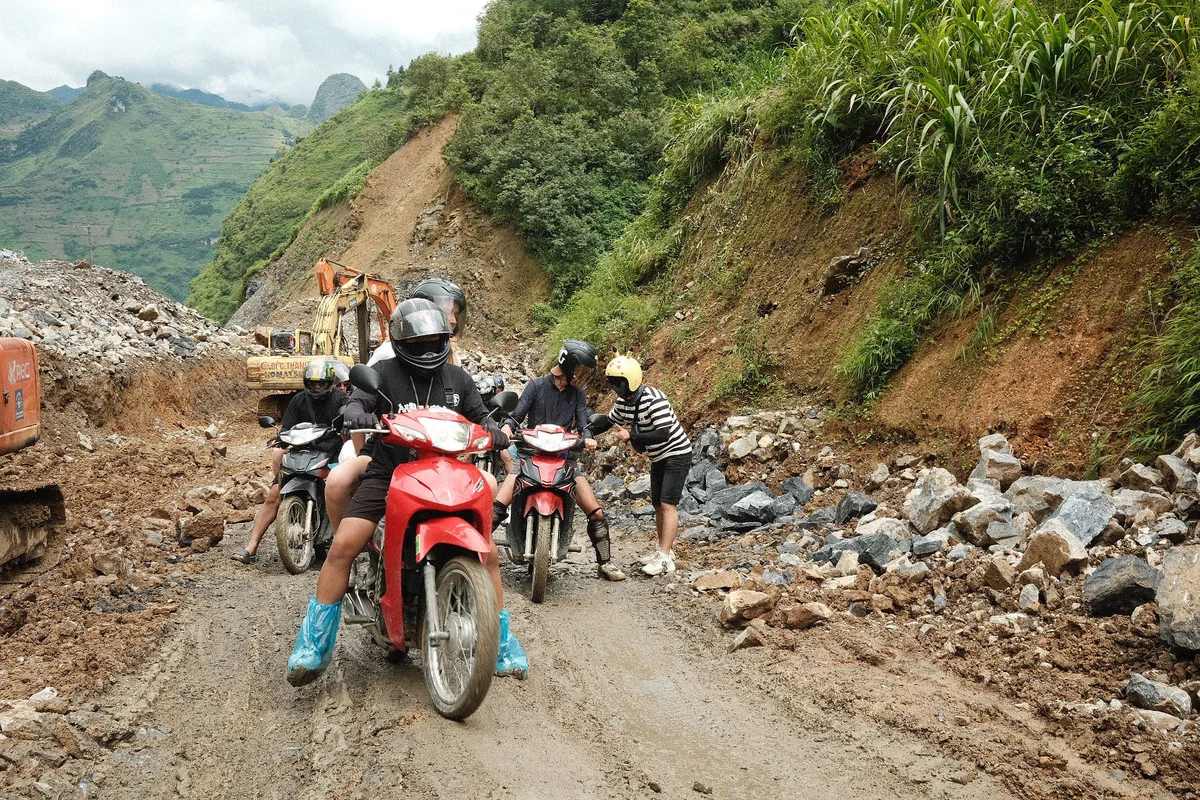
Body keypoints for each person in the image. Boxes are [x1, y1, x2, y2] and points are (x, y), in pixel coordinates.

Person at [286, 298, 526, 687]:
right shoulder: (382, 374)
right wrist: (355, 414)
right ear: (401, 342)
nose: (428, 349)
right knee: (344, 544)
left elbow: (480, 416)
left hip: (449, 472)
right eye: (418, 343)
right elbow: (356, 402)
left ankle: (500, 644)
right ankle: (313, 646)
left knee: (491, 555)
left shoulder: (458, 379)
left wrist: (497, 431)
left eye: (436, 340)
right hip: (389, 472)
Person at [326, 278, 468, 532]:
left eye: (455, 314)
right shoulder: (388, 356)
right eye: (448, 312)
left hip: (438, 452)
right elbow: (364, 399)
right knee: (337, 481)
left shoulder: (448, 354)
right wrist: (366, 453)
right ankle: (352, 548)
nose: (454, 320)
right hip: (387, 451)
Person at [493, 340, 626, 581]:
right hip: (529, 457)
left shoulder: (578, 394)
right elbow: (517, 416)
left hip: (564, 461)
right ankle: (473, 551)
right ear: (568, 364)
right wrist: (506, 428)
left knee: (595, 512)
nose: (583, 377)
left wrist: (588, 437)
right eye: (581, 370)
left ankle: (605, 562)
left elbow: (584, 423)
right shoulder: (536, 387)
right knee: (497, 507)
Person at [231, 359, 348, 565]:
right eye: (313, 383)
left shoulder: (340, 399)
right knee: (273, 495)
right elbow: (286, 428)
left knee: (341, 493)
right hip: (301, 454)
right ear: (306, 383)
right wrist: (280, 437)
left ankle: (342, 546)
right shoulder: (299, 400)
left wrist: (346, 425)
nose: (317, 387)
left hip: (331, 457)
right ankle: (251, 547)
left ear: (329, 383)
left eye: (321, 383)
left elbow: (348, 420)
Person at [596, 354, 691, 577]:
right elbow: (609, 420)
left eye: (618, 382)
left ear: (632, 381)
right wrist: (585, 432)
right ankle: (663, 550)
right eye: (612, 382)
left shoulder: (654, 399)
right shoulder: (623, 403)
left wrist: (632, 435)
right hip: (658, 457)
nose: (615, 387)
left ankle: (666, 559)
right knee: (658, 503)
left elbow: (663, 432)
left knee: (668, 503)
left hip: (676, 453)